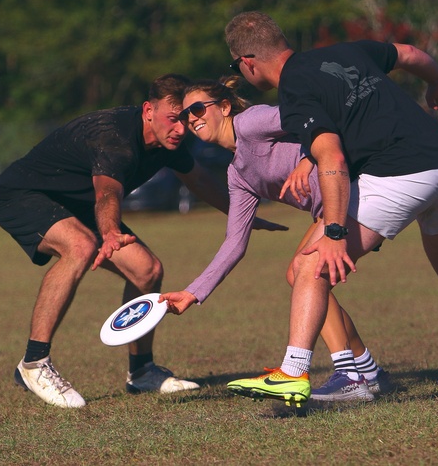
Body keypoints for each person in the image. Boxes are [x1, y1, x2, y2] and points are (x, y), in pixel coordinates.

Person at [218, 12, 438, 406]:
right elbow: (409, 54)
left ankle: (293, 371)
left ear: (247, 63)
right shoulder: (345, 50)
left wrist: (335, 233)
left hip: (398, 177)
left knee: (309, 266)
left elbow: (332, 157)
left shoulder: (294, 89)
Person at [0, 74, 285, 409]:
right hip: (21, 194)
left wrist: (242, 214)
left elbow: (199, 179)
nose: (180, 129)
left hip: (75, 203)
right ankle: (34, 363)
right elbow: (106, 193)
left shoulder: (170, 142)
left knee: (147, 271)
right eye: (173, 119)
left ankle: (142, 372)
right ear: (148, 110)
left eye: (186, 119)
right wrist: (111, 231)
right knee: (81, 246)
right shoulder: (115, 137)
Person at [157, 77, 392, 402]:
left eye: (197, 109)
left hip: (356, 193)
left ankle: (351, 376)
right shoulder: (237, 175)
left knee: (303, 272)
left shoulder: (252, 122)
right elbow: (234, 244)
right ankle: (368, 372)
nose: (192, 119)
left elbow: (316, 118)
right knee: (301, 275)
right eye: (185, 116)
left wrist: (310, 158)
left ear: (223, 107)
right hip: (333, 210)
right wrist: (192, 293)